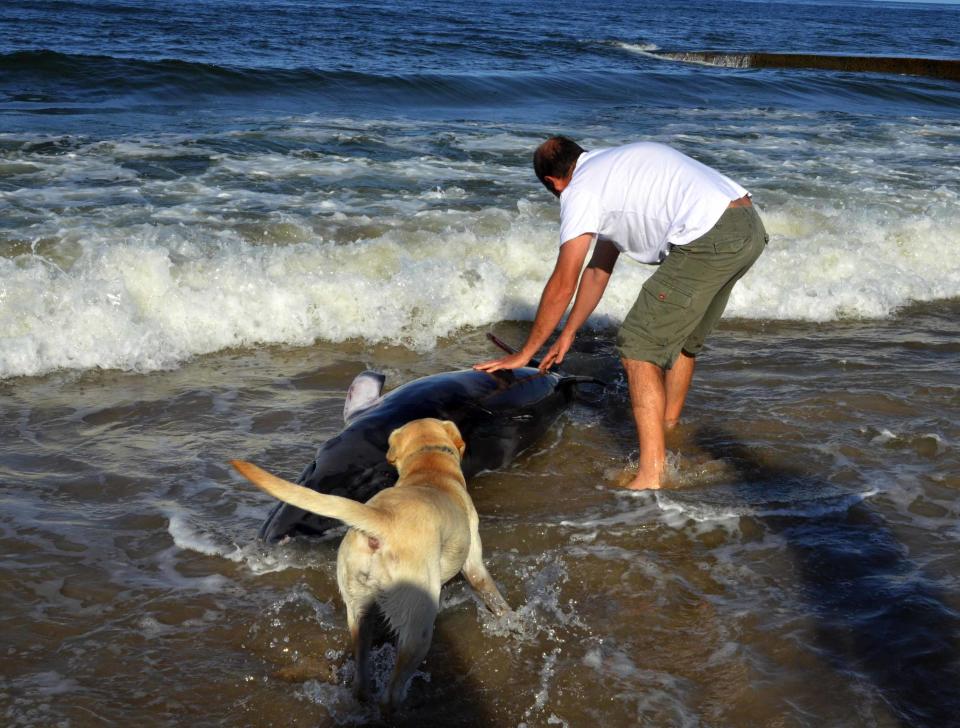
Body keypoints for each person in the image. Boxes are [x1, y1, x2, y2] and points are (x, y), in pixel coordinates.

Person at [474, 136, 767, 490]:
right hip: (746, 225)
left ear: (553, 182)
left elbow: (563, 282)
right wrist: (567, 333)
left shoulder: (579, 191)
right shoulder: (610, 170)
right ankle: (666, 430)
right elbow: (598, 270)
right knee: (682, 342)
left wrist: (524, 353)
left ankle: (651, 475)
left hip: (708, 234)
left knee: (638, 346)